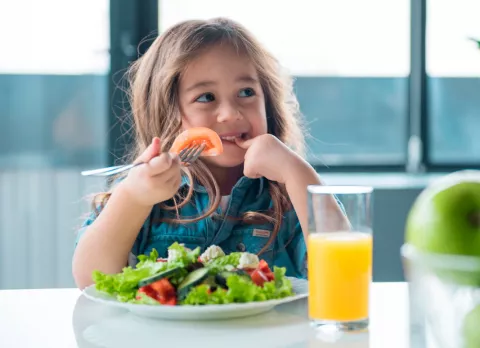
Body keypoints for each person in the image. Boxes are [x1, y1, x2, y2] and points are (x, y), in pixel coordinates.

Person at [72, 17, 345, 289]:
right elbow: (91, 280)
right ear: (167, 112)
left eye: (246, 92)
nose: (230, 114)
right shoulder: (143, 191)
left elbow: (344, 275)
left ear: (268, 104)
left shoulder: (289, 194)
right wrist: (131, 198)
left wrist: (298, 175)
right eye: (206, 97)